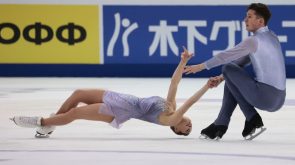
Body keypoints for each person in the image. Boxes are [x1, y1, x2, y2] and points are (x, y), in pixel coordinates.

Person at [10, 47, 216, 138]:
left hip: (117, 111)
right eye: (190, 127)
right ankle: (52, 122)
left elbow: (188, 103)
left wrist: (206, 87)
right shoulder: (170, 107)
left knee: (73, 114)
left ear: (176, 130)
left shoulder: (168, 120)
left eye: (185, 130)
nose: (189, 126)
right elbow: (174, 83)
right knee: (78, 94)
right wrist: (183, 61)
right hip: (120, 98)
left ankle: (41, 123)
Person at [184, 3, 286, 140]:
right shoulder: (273, 36)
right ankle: (221, 124)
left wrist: (200, 67)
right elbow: (241, 62)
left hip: (265, 97)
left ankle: (250, 117)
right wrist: (221, 78)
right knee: (229, 74)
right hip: (279, 99)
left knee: (227, 68)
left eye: (249, 17)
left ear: (260, 21)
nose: (245, 20)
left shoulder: (253, 41)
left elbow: (225, 57)